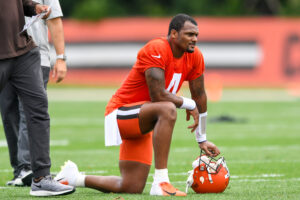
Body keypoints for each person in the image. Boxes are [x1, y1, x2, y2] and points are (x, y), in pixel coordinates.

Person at [55, 13, 220, 196]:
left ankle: (73, 178)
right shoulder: (157, 48)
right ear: (174, 34)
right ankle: (161, 182)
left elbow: (200, 95)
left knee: (131, 187)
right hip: (121, 112)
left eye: (196, 35)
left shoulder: (195, 56)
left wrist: (202, 138)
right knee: (168, 109)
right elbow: (158, 95)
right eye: (189, 34)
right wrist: (188, 104)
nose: (194, 39)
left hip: (143, 119)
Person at [0, 0, 74, 196]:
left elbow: (22, 4)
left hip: (25, 51)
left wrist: (34, 8)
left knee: (37, 110)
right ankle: (21, 168)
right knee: (10, 116)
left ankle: (41, 177)